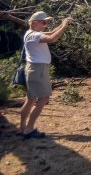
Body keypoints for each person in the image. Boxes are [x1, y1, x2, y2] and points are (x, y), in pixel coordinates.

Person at [18, 11, 73, 139]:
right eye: (43, 22)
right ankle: (29, 129)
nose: (45, 25)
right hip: (38, 70)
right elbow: (52, 38)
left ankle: (22, 128)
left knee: (30, 100)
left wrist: (62, 24)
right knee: (43, 98)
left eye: (46, 22)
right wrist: (64, 26)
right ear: (34, 22)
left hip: (34, 69)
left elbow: (51, 32)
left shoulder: (30, 33)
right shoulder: (34, 35)